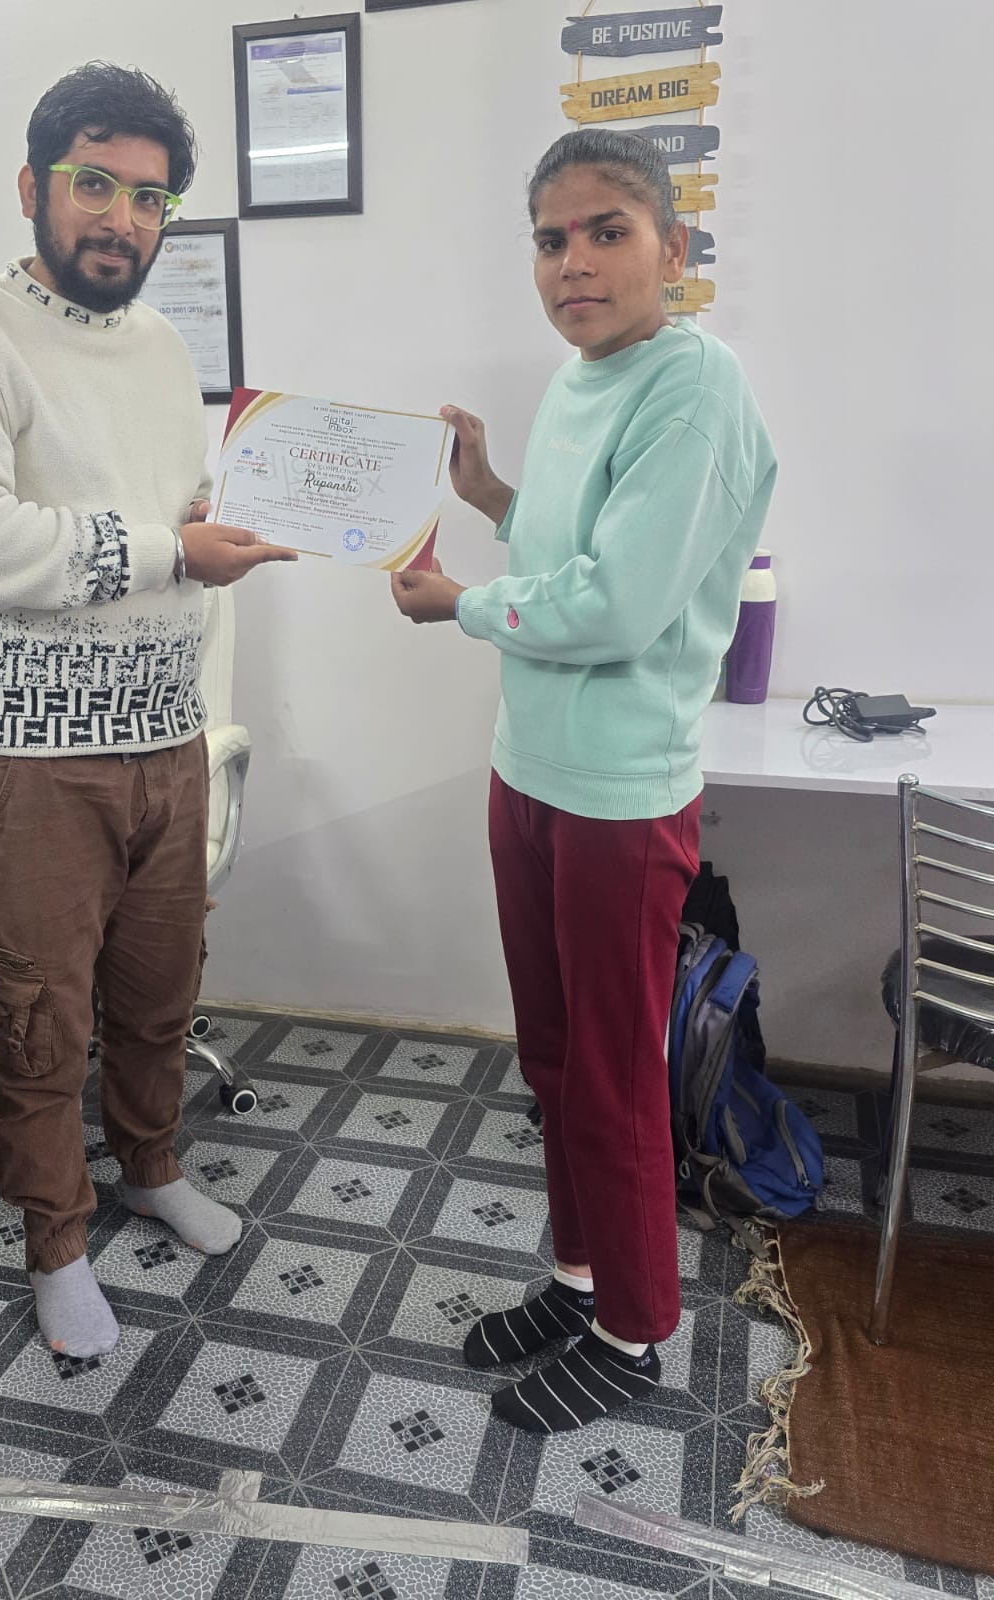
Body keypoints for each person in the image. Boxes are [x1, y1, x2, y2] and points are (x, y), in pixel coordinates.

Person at [0, 63, 296, 1360]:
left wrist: (227, 518)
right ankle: (54, 1240)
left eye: (150, 198)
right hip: (35, 762)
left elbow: (168, 516)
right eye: (94, 184)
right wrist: (176, 548)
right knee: (41, 1017)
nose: (123, 218)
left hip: (170, 741)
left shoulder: (166, 348)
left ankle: (151, 1165)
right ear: (34, 184)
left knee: (157, 994)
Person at [390, 127, 776, 1432]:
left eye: (609, 231)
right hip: (529, 770)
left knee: (611, 1070)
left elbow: (617, 603)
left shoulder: (695, 389)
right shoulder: (580, 380)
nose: (575, 263)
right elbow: (571, 544)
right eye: (552, 240)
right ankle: (577, 1276)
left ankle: (635, 1327)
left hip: (618, 793)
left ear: (675, 244)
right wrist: (489, 492)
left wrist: (459, 603)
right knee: (553, 1057)